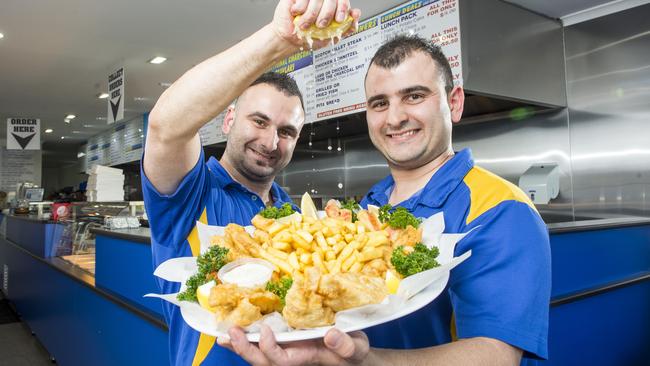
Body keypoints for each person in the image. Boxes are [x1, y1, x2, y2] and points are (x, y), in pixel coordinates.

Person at [220, 35, 551, 365]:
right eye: (379, 103)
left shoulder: (501, 209)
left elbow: (496, 356)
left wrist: (360, 362)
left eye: (414, 96)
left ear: (454, 103)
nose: (394, 118)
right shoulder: (368, 206)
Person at [141, 1, 360, 365]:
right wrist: (279, 39)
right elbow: (165, 125)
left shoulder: (291, 213)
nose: (271, 142)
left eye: (286, 131)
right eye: (258, 121)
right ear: (229, 121)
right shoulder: (191, 194)